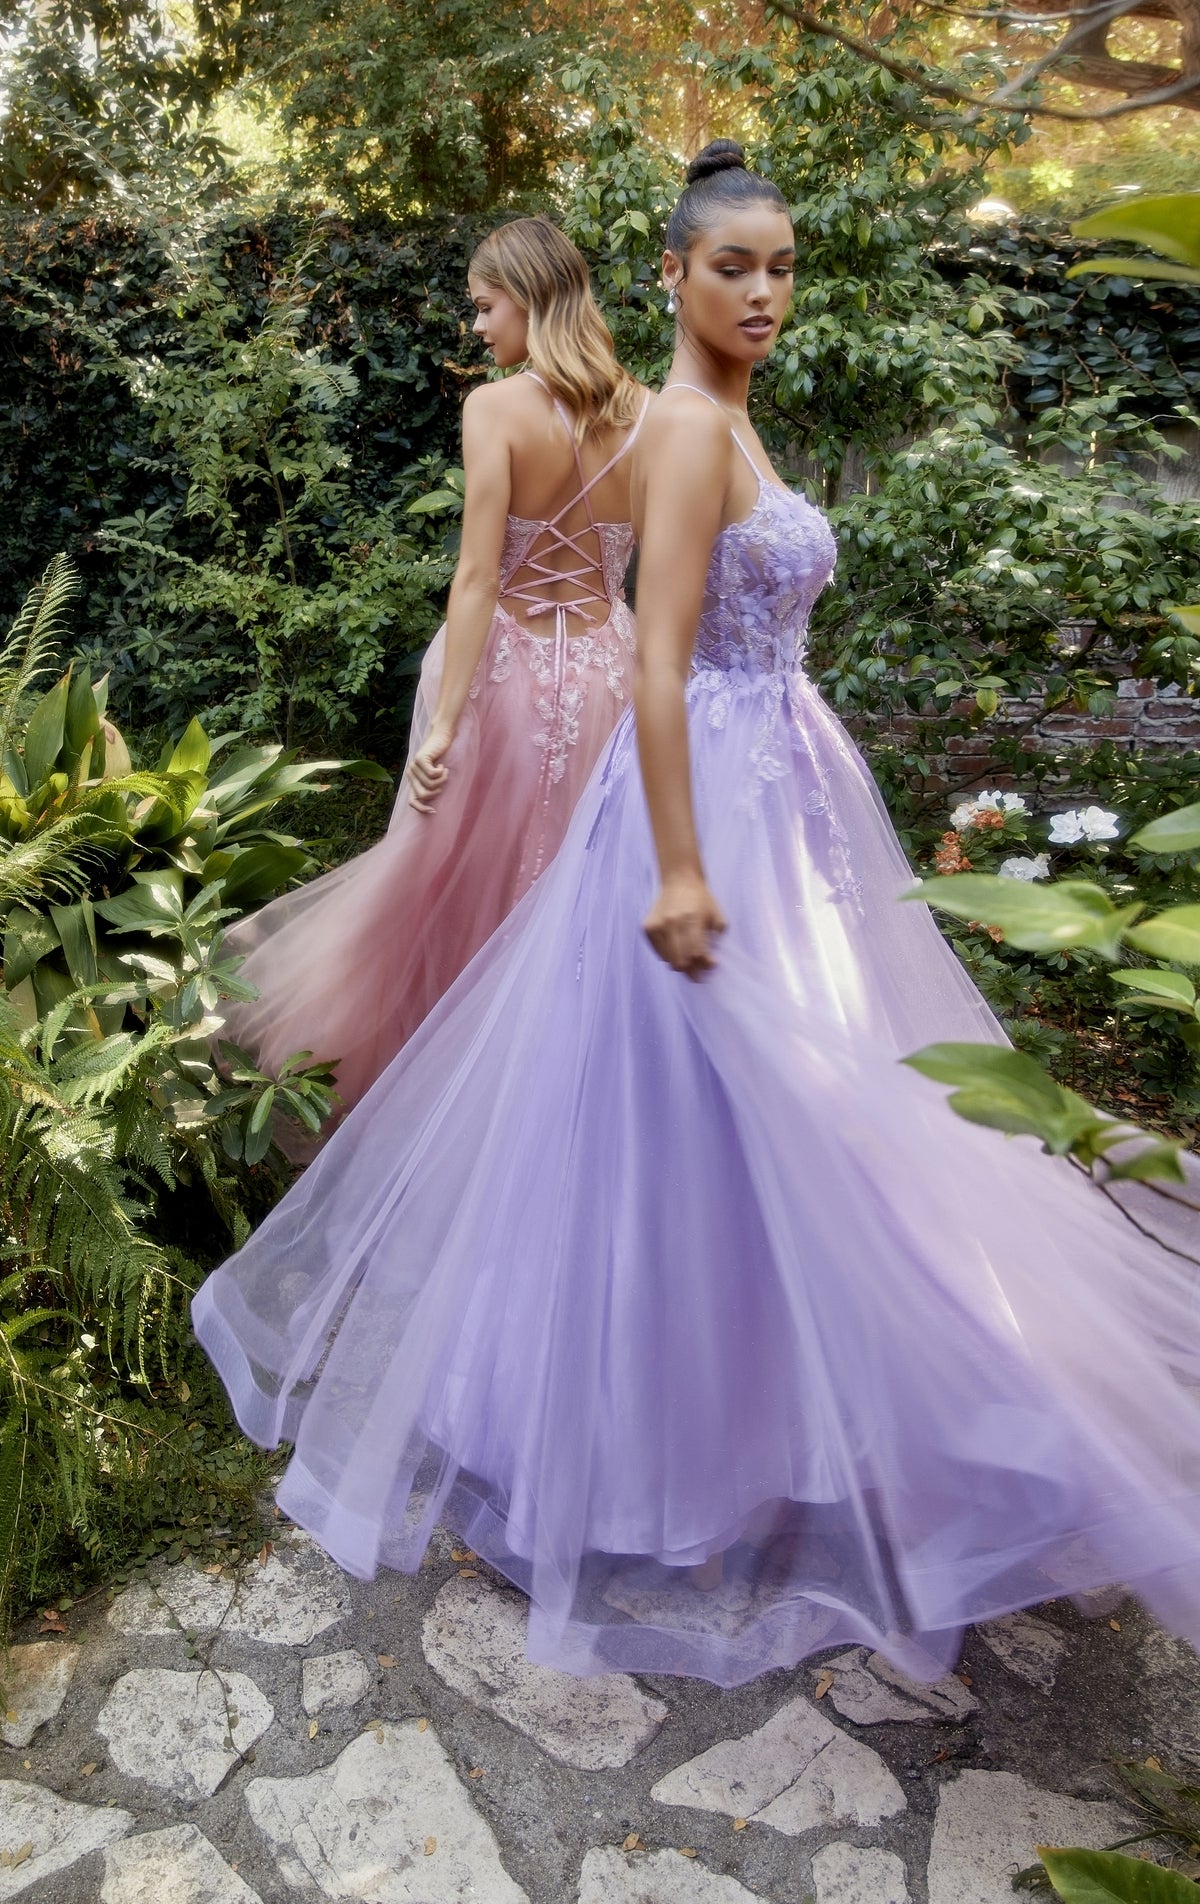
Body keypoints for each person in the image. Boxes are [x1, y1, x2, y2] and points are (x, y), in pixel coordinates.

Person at [194, 144, 1200, 1689]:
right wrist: (676, 867)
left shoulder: (727, 419)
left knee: (806, 1099)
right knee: (710, 1108)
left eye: (783, 267)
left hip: (779, 780)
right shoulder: (672, 426)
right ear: (669, 276)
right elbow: (653, 659)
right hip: (706, 796)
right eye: (736, 266)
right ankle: (679, 1456)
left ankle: (793, 1414)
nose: (767, 292)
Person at [220, 215, 649, 1114]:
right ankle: (566, 1095)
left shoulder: (494, 409)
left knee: (451, 876)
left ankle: (451, 1097)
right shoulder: (644, 414)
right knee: (583, 882)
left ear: (530, 301)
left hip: (505, 677)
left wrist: (445, 722)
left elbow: (478, 574)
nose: (480, 328)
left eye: (487, 307)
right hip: (615, 673)